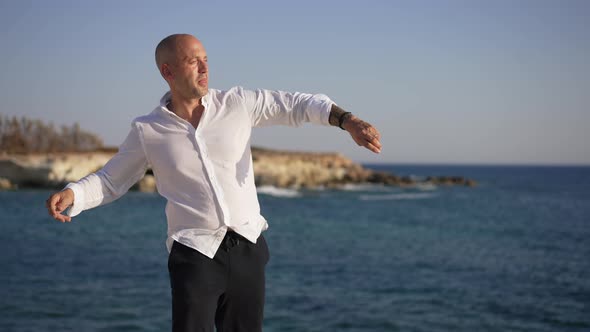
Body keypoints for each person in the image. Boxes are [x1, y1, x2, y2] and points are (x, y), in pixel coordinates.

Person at [45, 33, 382, 332]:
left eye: (206, 60)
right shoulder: (148, 130)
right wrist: (74, 193)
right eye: (194, 61)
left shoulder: (237, 104)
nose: (205, 68)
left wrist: (347, 120)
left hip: (248, 247)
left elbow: (298, 103)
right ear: (168, 71)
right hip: (194, 254)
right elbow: (110, 180)